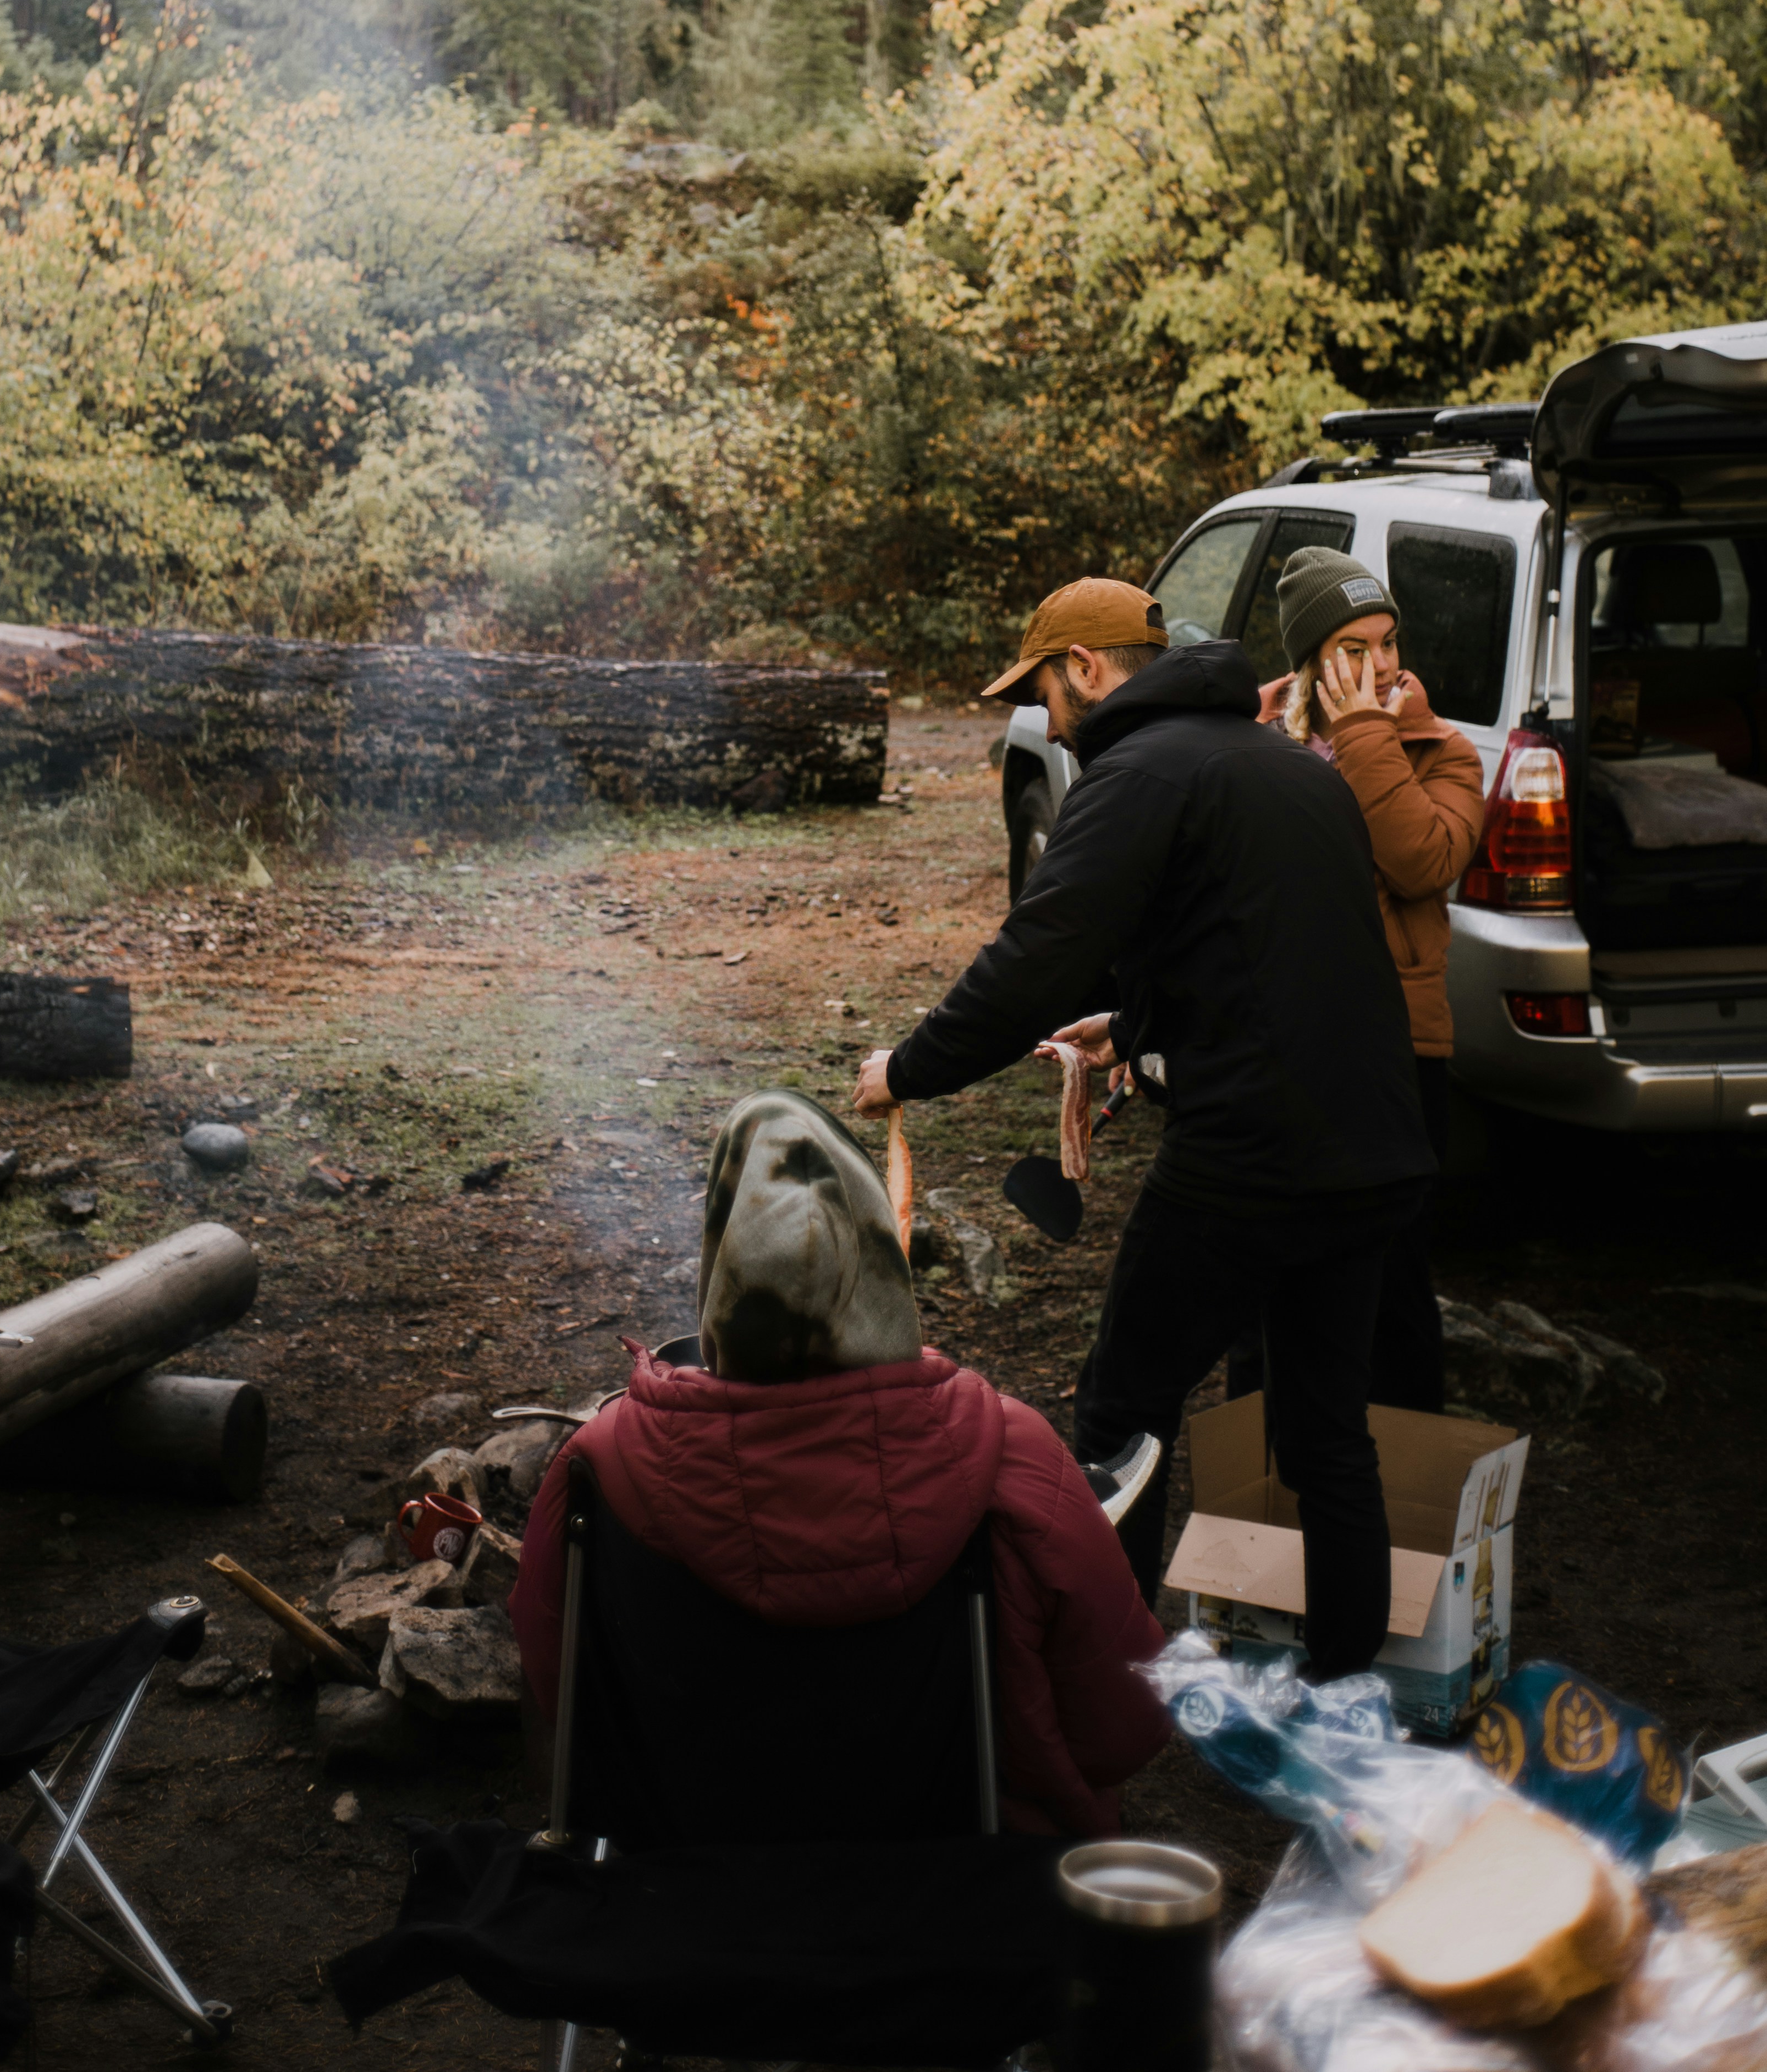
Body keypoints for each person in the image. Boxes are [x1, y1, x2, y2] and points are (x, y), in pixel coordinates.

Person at [851, 575, 1435, 1686]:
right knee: (1324, 1434)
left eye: (1040, 688)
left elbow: (1038, 954)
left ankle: (1106, 1673)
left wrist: (908, 1071)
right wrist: (1135, 1024)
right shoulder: (1274, 763)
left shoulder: (1137, 772)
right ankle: (1344, 1689)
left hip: (1253, 1155)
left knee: (1123, 1407)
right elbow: (1263, 949)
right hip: (1374, 1150)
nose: (1044, 716)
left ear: (1081, 669)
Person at [509, 1088, 1171, 1837]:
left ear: (721, 1256)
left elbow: (559, 1691)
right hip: (953, 1893)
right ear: (880, 1252)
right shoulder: (1010, 1451)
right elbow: (1128, 1727)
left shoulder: (598, 1464)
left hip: (685, 1888)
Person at [1252, 545, 1486, 1412]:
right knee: (1272, 1279)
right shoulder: (1255, 745)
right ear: (1311, 657)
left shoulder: (1444, 752)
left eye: (1388, 641)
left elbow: (1422, 859)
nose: (1381, 664)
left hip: (1396, 1048)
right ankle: (1265, 1505)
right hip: (1281, 1047)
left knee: (1392, 1283)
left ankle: (1409, 1508)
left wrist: (1362, 734)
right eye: (1354, 647)